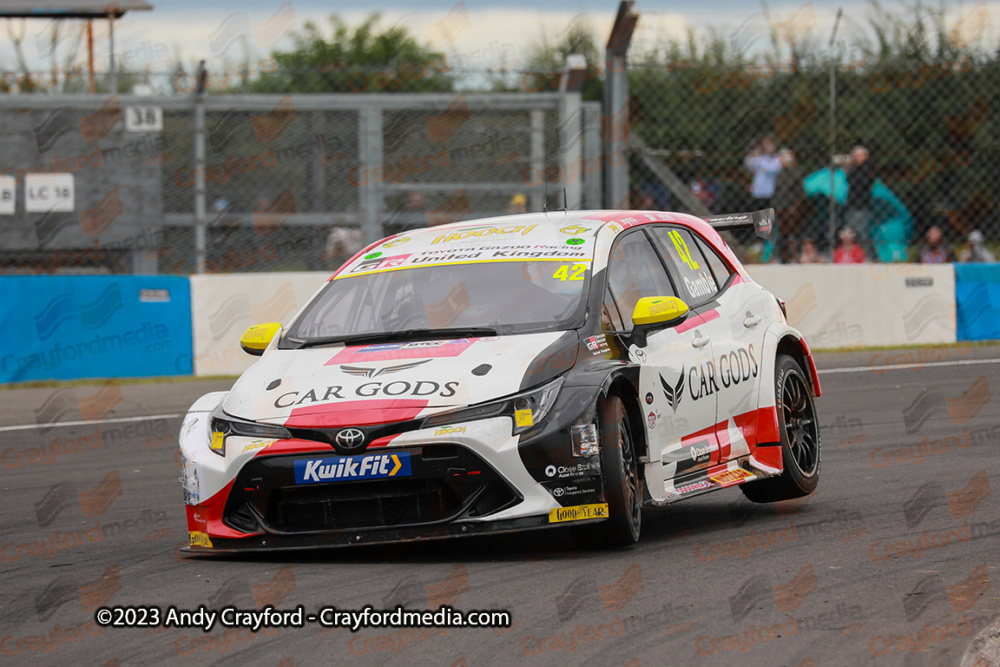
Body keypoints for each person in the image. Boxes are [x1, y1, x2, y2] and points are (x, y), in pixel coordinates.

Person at [771, 148, 810, 263]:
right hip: (781, 209)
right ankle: (784, 257)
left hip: (793, 209)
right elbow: (777, 193)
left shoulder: (795, 173)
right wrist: (776, 208)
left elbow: (800, 193)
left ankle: (794, 256)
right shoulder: (779, 174)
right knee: (783, 235)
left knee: (794, 234)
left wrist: (795, 207)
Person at [844, 144, 875, 255]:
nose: (855, 158)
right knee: (850, 233)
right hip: (852, 204)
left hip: (861, 205)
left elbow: (856, 181)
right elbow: (849, 179)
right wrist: (848, 168)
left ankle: (868, 256)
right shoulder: (855, 168)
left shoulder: (866, 168)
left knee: (862, 233)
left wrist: (850, 168)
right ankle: (854, 256)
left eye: (858, 156)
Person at [744, 136, 783, 210]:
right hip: (757, 194)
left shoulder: (777, 159)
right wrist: (754, 156)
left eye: (769, 144)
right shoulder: (760, 158)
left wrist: (757, 160)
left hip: (771, 195)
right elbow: (748, 162)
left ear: (774, 145)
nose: (766, 146)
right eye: (764, 144)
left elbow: (771, 168)